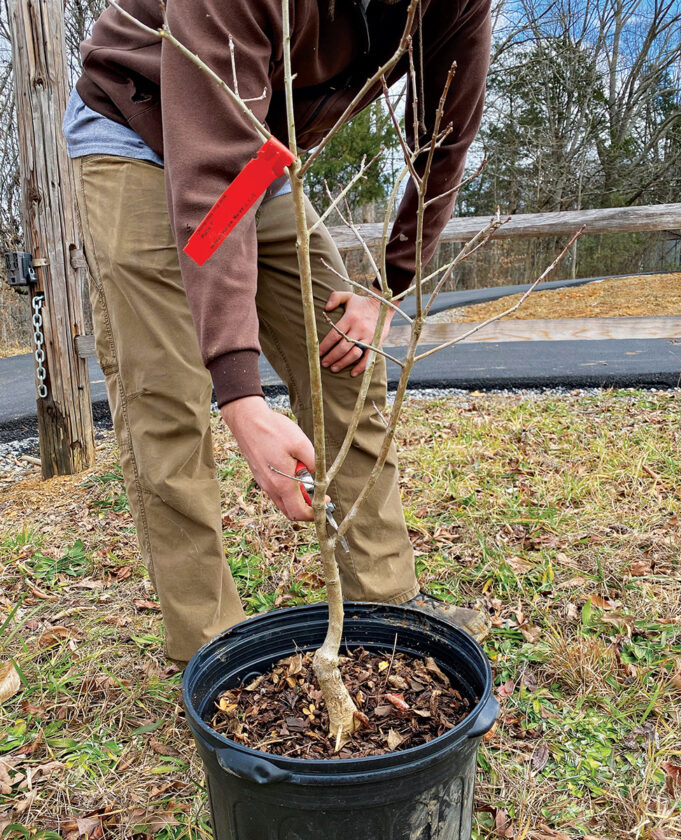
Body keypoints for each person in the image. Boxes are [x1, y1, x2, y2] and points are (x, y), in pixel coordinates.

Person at [65, 0, 493, 665]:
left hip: (257, 156)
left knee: (344, 359)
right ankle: (211, 655)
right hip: (139, 132)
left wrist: (387, 283)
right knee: (167, 400)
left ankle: (388, 610)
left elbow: (446, 129)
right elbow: (211, 177)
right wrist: (239, 394)